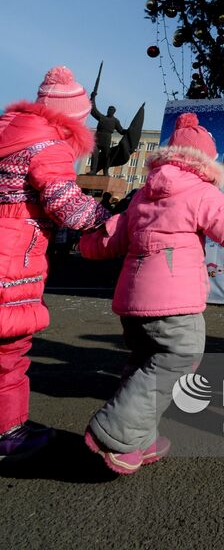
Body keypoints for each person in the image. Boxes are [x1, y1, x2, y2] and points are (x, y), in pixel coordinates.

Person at [79, 112, 224, 475]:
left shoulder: (143, 194)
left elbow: (113, 238)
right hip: (173, 303)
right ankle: (115, 434)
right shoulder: (201, 192)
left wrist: (87, 243)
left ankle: (139, 439)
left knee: (144, 362)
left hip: (133, 303)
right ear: (207, 161)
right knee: (179, 356)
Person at [0, 66, 111, 462]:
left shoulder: (10, 131)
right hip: (11, 256)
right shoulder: (49, 143)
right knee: (9, 349)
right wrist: (108, 219)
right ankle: (8, 434)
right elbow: (66, 204)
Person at [89, 97, 125, 175]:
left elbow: (121, 131)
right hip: (97, 138)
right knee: (94, 155)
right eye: (109, 110)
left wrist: (128, 131)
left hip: (106, 139)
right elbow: (93, 110)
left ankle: (105, 171)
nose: (109, 111)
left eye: (111, 110)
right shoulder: (102, 117)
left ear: (114, 112)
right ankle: (93, 170)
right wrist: (93, 98)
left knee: (107, 156)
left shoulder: (115, 121)